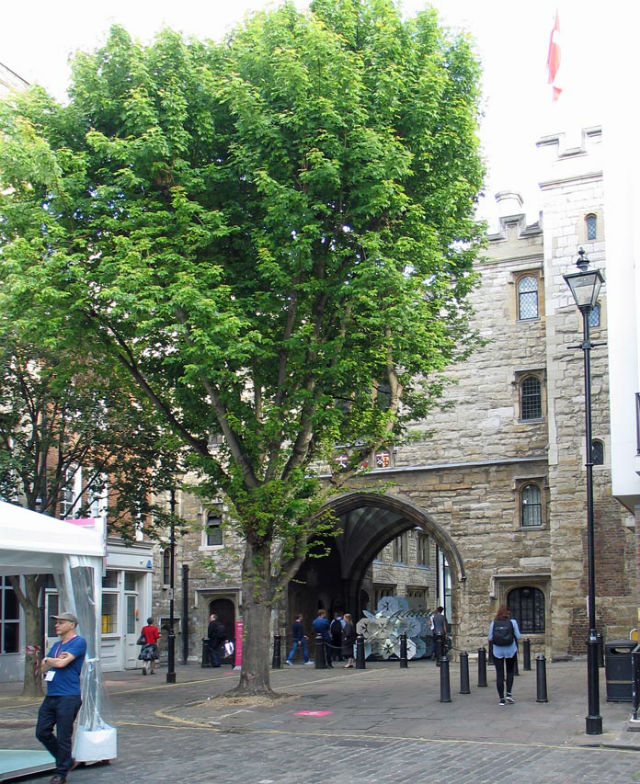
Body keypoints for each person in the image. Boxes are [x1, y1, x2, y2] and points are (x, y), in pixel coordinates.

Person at [36, 612, 87, 784]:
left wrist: (50, 660)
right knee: (42, 731)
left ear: (71, 625)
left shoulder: (78, 642)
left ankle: (61, 773)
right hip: (52, 695)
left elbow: (61, 663)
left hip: (68, 696)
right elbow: (42, 668)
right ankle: (66, 760)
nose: (56, 625)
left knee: (64, 734)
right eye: (56, 622)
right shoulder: (57, 646)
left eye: (61, 622)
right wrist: (52, 660)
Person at [488, 604, 521, 706]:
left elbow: (490, 637)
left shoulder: (494, 623)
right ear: (508, 612)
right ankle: (509, 694)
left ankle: (501, 699)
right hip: (510, 650)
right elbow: (518, 636)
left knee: (500, 674)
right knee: (510, 672)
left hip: (497, 651)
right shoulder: (513, 622)